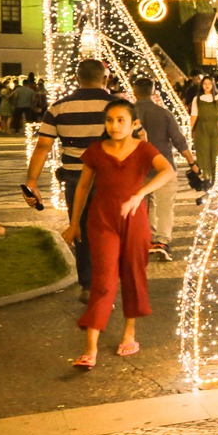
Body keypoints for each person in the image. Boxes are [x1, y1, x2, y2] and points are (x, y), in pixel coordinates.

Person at [63, 99, 175, 368]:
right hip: (102, 221)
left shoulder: (144, 149)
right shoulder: (96, 151)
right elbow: (82, 188)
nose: (114, 125)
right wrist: (74, 222)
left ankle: (129, 332)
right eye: (110, 120)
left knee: (133, 275)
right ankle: (90, 348)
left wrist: (140, 194)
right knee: (103, 280)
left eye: (121, 120)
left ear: (134, 123)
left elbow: (168, 171)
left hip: (135, 222)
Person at [25, 59, 112, 300]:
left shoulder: (58, 108)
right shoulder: (117, 106)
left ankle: (88, 285)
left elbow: (43, 146)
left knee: (81, 229)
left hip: (75, 177)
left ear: (76, 78)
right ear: (105, 79)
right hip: (109, 179)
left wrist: (32, 182)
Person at [129, 77, 198, 262]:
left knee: (143, 205)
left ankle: (146, 239)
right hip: (163, 167)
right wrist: (192, 162)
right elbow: (178, 140)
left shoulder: (127, 115)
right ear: (153, 92)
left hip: (138, 168)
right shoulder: (164, 113)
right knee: (165, 206)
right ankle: (162, 241)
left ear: (134, 92)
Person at [189, 76, 218, 184]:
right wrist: (191, 129)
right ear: (201, 85)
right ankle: (206, 178)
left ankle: (216, 178)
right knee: (203, 153)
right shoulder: (197, 99)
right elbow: (194, 115)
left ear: (213, 85)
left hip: (215, 128)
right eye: (205, 83)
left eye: (209, 83)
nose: (207, 85)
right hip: (202, 129)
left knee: (217, 153)